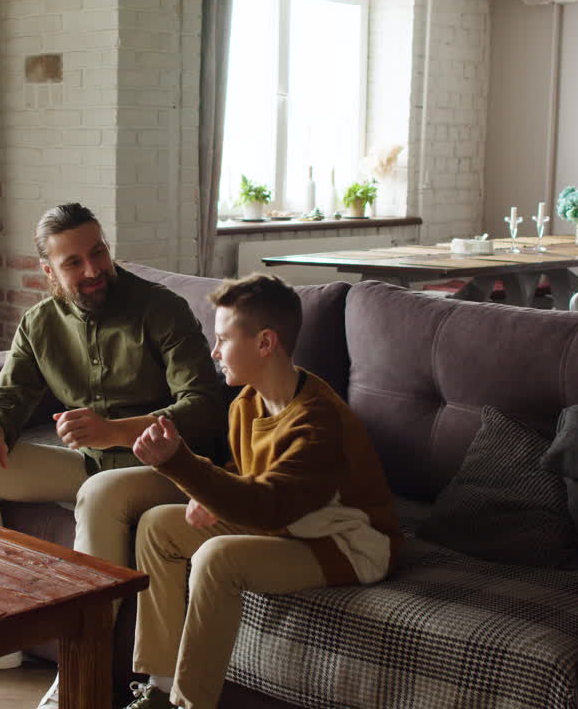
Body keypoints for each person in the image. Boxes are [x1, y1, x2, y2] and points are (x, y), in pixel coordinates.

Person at [0, 202, 227, 707]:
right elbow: (7, 397)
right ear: (47, 271)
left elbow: (204, 407)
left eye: (99, 253)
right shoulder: (40, 323)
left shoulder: (160, 309)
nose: (93, 270)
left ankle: (79, 673)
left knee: (98, 491)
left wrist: (114, 430)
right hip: (93, 463)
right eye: (74, 262)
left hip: (169, 467)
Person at [122, 273, 402, 709]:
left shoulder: (317, 421)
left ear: (265, 343)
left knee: (217, 559)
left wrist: (179, 463)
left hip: (345, 543)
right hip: (288, 526)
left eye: (222, 339)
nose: (214, 353)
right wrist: (210, 493)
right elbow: (247, 473)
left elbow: (269, 507)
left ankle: (188, 704)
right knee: (158, 525)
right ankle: (158, 688)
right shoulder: (247, 403)